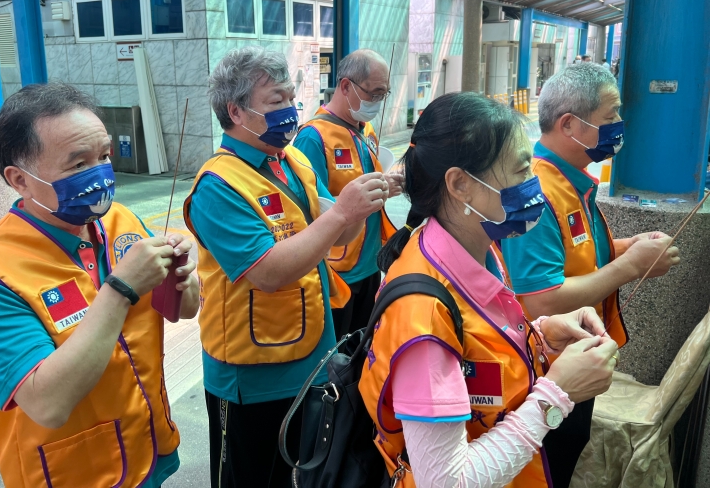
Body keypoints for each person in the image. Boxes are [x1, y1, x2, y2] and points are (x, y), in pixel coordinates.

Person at [359, 92, 619, 488]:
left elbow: (476, 354)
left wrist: (542, 337)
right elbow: (445, 482)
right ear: (460, 184)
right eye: (521, 170)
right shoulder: (422, 316)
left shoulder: (481, 248)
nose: (534, 184)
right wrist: (556, 396)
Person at [0, 83, 200, 487]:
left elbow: (181, 311)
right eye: (78, 163)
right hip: (74, 473)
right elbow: (47, 403)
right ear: (20, 180)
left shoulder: (121, 222)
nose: (99, 174)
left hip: (150, 448)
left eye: (104, 156)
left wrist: (185, 278)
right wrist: (120, 289)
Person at [183, 46, 389, 488]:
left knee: (299, 474)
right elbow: (269, 271)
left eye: (292, 97)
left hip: (310, 356)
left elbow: (338, 236)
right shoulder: (217, 185)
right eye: (276, 100)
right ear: (236, 112)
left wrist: (357, 211)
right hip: (252, 375)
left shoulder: (292, 162)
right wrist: (342, 213)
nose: (290, 110)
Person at [500, 63, 680, 487]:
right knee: (549, 467)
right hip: (547, 371)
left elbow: (573, 256)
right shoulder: (539, 192)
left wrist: (628, 247)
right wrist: (630, 267)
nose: (619, 124)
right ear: (569, 124)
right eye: (610, 115)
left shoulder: (570, 182)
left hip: (575, 359)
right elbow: (540, 299)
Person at [294, 49, 402, 337]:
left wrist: (385, 187)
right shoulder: (313, 137)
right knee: (339, 352)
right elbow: (307, 208)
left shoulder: (366, 130)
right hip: (337, 270)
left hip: (370, 264)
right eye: (374, 93)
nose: (377, 102)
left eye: (384, 94)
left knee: (363, 348)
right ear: (345, 86)